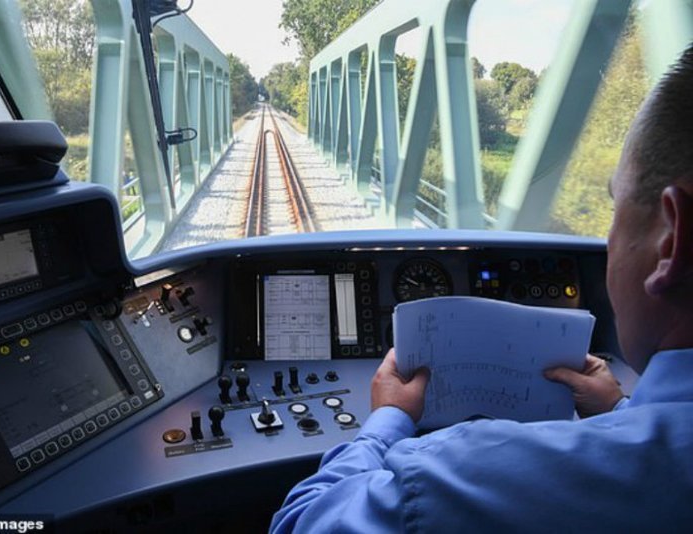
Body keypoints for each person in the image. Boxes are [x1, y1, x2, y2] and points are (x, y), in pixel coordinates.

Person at [270, 45, 693, 533]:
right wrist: (620, 410)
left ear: (672, 243)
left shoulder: (466, 473)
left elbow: (303, 522)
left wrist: (387, 420)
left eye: (615, 209)